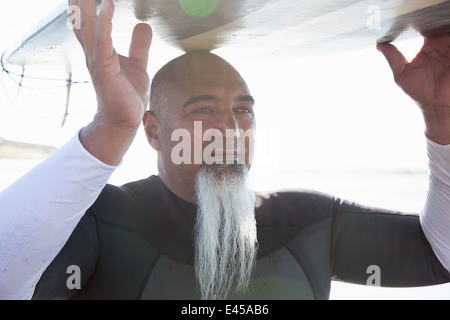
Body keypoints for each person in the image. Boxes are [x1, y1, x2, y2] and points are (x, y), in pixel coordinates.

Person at [0, 0, 449, 300]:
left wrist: (443, 122)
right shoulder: (101, 221)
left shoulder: (307, 221)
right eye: (204, 110)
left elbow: (438, 257)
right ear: (153, 132)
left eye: (243, 110)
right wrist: (110, 128)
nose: (231, 129)